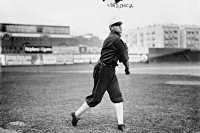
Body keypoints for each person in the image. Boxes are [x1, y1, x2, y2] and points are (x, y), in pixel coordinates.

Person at [71, 17, 130, 132]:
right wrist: (127, 68)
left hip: (109, 70)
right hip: (103, 70)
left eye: (120, 25)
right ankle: (76, 114)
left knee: (117, 96)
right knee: (96, 98)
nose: (120, 27)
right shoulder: (116, 39)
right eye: (117, 25)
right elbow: (124, 58)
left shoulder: (113, 38)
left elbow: (116, 54)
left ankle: (120, 124)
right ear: (112, 28)